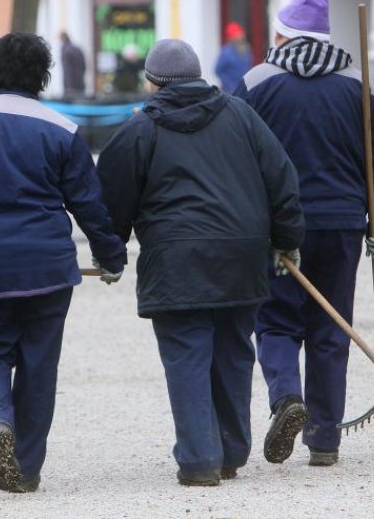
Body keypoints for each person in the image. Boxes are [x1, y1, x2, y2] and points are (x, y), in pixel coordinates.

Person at [0, 32, 127, 493]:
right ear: (44, 75)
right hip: (47, 270)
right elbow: (88, 204)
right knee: (38, 365)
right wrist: (110, 255)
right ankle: (25, 468)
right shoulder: (62, 130)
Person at [97, 38, 305, 486]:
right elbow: (281, 177)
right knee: (233, 350)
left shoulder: (141, 129)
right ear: (198, 76)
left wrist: (110, 251)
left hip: (176, 261)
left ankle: (198, 459)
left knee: (187, 355)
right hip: (242, 254)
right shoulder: (241, 115)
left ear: (152, 82)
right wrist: (286, 241)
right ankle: (231, 452)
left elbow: (112, 196)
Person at [233, 0, 374, 467]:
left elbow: (236, 156)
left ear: (283, 35)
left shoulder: (255, 83)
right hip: (344, 223)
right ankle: (324, 438)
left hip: (279, 228)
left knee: (276, 321)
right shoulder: (359, 85)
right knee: (332, 328)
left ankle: (287, 398)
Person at [214, 22, 253, 92]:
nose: (239, 37)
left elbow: (249, 67)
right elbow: (217, 70)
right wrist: (229, 84)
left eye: (240, 34)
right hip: (230, 91)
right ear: (231, 37)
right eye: (236, 35)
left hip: (245, 88)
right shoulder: (226, 52)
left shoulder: (247, 49)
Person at [60, 31, 86, 98]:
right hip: (80, 84)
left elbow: (67, 70)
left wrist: (68, 86)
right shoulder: (78, 49)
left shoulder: (66, 50)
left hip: (70, 87)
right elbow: (84, 66)